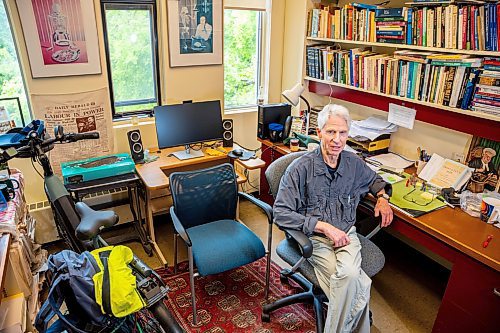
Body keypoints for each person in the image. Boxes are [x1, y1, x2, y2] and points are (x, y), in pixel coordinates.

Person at [273, 104, 394, 333]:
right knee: (355, 282)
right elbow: (280, 213)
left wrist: (382, 198)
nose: (337, 139)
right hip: (315, 238)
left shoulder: (353, 163)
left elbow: (376, 180)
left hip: (347, 235)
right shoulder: (300, 169)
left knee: (348, 278)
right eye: (330, 132)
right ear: (319, 133)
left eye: (343, 133)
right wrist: (324, 228)